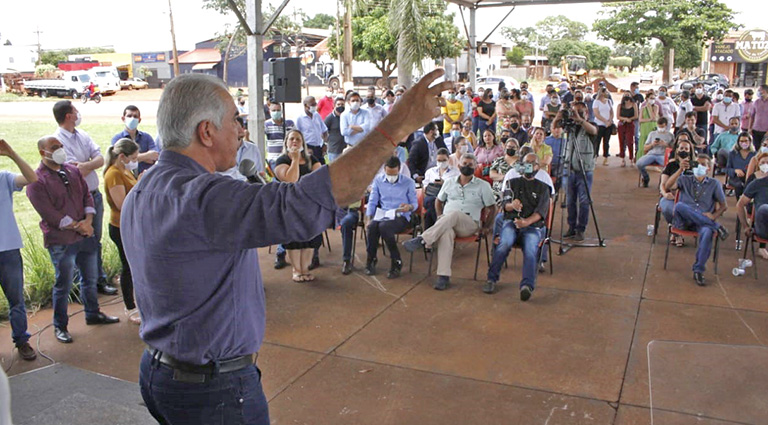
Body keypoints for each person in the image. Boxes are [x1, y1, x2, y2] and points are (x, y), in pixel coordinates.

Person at [121, 71, 452, 424]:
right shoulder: (205, 199)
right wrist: (397, 124)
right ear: (206, 131)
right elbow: (320, 196)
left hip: (161, 371)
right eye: (235, 119)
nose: (241, 129)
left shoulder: (143, 190)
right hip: (213, 390)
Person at [27, 136, 120, 344]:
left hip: (85, 236)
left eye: (60, 146)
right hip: (61, 240)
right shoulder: (36, 181)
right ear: (43, 152)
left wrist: (88, 219)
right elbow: (50, 214)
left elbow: (87, 195)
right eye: (54, 147)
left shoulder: (73, 170)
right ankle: (60, 326)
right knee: (64, 284)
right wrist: (79, 226)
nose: (60, 149)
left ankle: (93, 313)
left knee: (90, 278)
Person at [403, 153, 496, 290]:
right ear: (459, 166)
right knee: (446, 232)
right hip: (448, 222)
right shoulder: (449, 182)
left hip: (469, 224)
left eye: (471, 165)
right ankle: (443, 277)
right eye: (464, 164)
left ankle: (423, 239)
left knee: (455, 214)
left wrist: (487, 226)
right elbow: (438, 201)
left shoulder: (483, 185)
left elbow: (492, 208)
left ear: (476, 166)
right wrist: (441, 217)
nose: (467, 167)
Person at [52, 101, 117, 296]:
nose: (78, 113)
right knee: (76, 243)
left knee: (95, 240)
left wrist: (86, 165)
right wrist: (89, 165)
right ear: (68, 116)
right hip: (75, 201)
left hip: (93, 196)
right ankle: (80, 287)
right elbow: (72, 169)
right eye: (74, 110)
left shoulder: (83, 135)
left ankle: (98, 281)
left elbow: (100, 158)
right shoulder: (56, 140)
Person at [484, 153, 550, 301]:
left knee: (531, 250)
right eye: (526, 162)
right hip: (511, 223)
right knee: (504, 244)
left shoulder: (543, 188)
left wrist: (526, 222)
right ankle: (491, 279)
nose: (529, 166)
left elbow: (541, 213)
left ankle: (527, 286)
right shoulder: (511, 183)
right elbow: (504, 205)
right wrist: (511, 205)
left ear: (538, 167)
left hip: (532, 226)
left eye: (532, 163)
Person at [664, 154, 728, 286]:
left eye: (704, 164)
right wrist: (680, 170)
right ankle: (716, 226)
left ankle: (698, 270)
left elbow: (724, 206)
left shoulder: (714, 184)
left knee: (707, 232)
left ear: (709, 168)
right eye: (697, 164)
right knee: (680, 206)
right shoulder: (685, 179)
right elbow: (667, 186)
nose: (700, 167)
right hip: (684, 221)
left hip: (703, 221)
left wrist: (714, 216)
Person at [0, 139, 37, 360]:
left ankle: (22, 340)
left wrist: (13, 154)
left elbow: (32, 178)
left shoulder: (4, 178)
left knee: (16, 300)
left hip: (9, 249)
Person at [274, 130, 323, 282]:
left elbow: (318, 181)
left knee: (309, 238)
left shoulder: (312, 159)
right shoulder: (281, 160)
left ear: (303, 142)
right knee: (294, 239)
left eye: (298, 139)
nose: (295, 142)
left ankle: (305, 269)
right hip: (290, 205)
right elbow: (291, 179)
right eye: (291, 139)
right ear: (286, 142)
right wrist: (295, 160)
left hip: (309, 204)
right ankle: (296, 270)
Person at [103, 138, 141, 325]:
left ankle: (137, 303)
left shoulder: (125, 170)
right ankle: (130, 306)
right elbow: (122, 204)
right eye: (133, 157)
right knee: (128, 266)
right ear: (122, 156)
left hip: (131, 225)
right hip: (120, 226)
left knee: (136, 265)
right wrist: (140, 185)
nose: (135, 160)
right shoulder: (113, 174)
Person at [364, 156, 417, 279]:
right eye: (388, 173)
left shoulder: (408, 182)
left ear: (399, 169)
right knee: (372, 227)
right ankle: (371, 258)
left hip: (401, 216)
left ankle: (396, 260)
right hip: (384, 214)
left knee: (384, 227)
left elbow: (415, 204)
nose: (391, 176)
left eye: (394, 174)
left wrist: (408, 207)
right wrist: (368, 218)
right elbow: (372, 201)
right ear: (384, 169)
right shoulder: (378, 181)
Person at [560, 102, 598, 242]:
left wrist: (580, 120)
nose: (576, 115)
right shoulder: (570, 128)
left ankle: (581, 229)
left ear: (586, 113)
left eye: (580, 112)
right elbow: (555, 126)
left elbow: (593, 131)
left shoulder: (590, 126)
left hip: (584, 170)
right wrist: (561, 113)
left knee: (583, 200)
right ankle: (571, 227)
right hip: (569, 168)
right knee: (570, 200)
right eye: (575, 112)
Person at [659, 137, 694, 246]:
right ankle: (678, 232)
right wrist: (665, 194)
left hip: (688, 198)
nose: (684, 150)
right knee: (668, 208)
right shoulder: (671, 165)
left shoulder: (695, 166)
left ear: (690, 151)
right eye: (681, 148)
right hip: (671, 196)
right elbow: (664, 185)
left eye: (686, 149)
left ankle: (675, 231)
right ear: (677, 150)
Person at [110, 105, 159, 174]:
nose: (132, 118)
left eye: (135, 116)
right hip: (125, 177)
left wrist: (131, 159)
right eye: (129, 116)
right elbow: (118, 160)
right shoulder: (117, 139)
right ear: (123, 119)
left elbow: (155, 156)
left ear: (139, 120)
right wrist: (147, 156)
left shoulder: (147, 137)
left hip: (146, 177)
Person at [737, 152, 768, 260]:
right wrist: (746, 226)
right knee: (764, 208)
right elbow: (740, 204)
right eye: (763, 163)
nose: (766, 164)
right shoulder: (756, 183)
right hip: (763, 225)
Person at [423, 148, 460, 229]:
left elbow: (457, 187)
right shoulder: (430, 172)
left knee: (429, 213)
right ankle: (441, 225)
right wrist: (432, 185)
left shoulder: (456, 172)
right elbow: (424, 187)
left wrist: (444, 183)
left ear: (448, 159)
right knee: (432, 201)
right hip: (431, 196)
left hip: (447, 197)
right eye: (439, 160)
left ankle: (429, 234)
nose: (441, 162)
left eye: (444, 160)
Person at [637, 117, 674, 187]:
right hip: (651, 154)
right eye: (659, 126)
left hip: (663, 155)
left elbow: (673, 148)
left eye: (662, 126)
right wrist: (652, 144)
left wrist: (666, 145)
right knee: (639, 163)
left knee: (668, 166)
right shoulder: (652, 134)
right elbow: (645, 147)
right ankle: (645, 177)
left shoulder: (670, 135)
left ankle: (663, 182)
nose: (660, 128)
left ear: (666, 125)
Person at [295, 96, 328, 164]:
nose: (314, 106)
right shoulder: (300, 119)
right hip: (308, 148)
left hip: (319, 147)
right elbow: (297, 136)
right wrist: (304, 148)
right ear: (305, 105)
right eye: (312, 105)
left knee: (323, 169)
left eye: (315, 104)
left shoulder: (317, 115)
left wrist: (324, 143)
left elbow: (324, 130)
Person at [725, 133, 756, 199]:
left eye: (746, 141)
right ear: (738, 142)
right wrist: (735, 171)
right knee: (739, 185)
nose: (744, 143)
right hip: (736, 179)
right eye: (741, 141)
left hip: (750, 178)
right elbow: (727, 169)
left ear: (750, 142)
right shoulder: (732, 154)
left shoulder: (754, 154)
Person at [592, 88, 614, 166]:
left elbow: (611, 112)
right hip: (599, 124)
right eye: (605, 92)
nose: (607, 93)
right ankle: (595, 157)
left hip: (608, 125)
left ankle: (606, 157)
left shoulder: (609, 101)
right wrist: (605, 121)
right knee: (597, 141)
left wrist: (610, 121)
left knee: (606, 142)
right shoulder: (596, 102)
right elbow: (596, 113)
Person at [616, 92, 639, 167]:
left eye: (628, 95)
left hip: (630, 124)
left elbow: (636, 115)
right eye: (625, 95)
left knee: (630, 141)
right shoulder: (620, 105)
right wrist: (625, 119)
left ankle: (631, 158)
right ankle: (622, 158)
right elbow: (618, 116)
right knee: (621, 141)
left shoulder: (634, 104)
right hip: (622, 124)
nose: (627, 96)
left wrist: (630, 119)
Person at [637, 89, 659, 162]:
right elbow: (640, 119)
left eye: (653, 98)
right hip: (644, 128)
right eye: (651, 98)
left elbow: (654, 117)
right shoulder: (643, 108)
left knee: (652, 143)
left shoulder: (656, 107)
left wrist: (650, 108)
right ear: (646, 99)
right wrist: (649, 119)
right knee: (643, 144)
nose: (652, 100)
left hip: (652, 127)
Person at [325, 97, 347, 162]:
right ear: (334, 106)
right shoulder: (330, 118)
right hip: (334, 150)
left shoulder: (346, 116)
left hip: (345, 149)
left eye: (342, 104)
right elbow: (323, 130)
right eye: (338, 104)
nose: (340, 106)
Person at [748, 85, 768, 151]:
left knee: (764, 149)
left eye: (760, 90)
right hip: (756, 130)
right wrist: (750, 128)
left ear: (765, 91)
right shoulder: (756, 102)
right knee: (756, 148)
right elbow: (752, 116)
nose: (758, 92)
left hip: (766, 131)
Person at [630, 82, 644, 149]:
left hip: (636, 118)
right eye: (636, 87)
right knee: (627, 136)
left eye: (638, 88)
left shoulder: (640, 96)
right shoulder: (628, 95)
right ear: (632, 87)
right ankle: (623, 151)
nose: (637, 89)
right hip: (628, 117)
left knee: (636, 135)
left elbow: (643, 105)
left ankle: (637, 150)